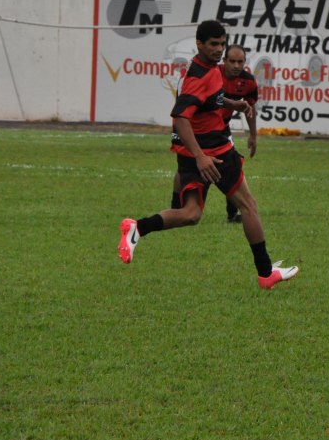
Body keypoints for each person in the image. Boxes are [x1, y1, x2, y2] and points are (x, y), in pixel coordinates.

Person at [118, 20, 298, 290]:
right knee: (249, 205)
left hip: (193, 150)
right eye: (213, 44)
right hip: (212, 149)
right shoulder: (198, 77)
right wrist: (201, 156)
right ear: (199, 43)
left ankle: (138, 228)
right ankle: (265, 273)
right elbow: (180, 117)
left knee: (191, 214)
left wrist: (231, 103)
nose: (218, 49)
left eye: (221, 44)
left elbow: (209, 98)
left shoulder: (208, 68)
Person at [171, 43, 258, 223]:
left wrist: (253, 135)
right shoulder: (211, 73)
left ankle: (232, 213)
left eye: (240, 62)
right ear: (224, 61)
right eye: (232, 61)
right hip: (197, 127)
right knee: (186, 164)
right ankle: (176, 207)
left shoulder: (248, 81)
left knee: (233, 166)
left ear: (245, 63)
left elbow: (250, 108)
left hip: (220, 130)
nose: (236, 65)